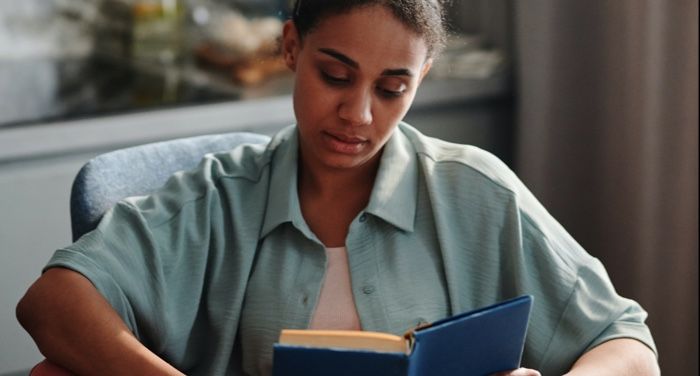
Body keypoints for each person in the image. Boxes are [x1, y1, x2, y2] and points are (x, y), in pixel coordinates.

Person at [17, 1, 660, 375]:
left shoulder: (475, 192)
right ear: (292, 46)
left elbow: (629, 343)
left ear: (422, 78)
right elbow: (52, 301)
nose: (359, 115)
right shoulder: (218, 198)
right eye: (335, 75)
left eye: (391, 89)